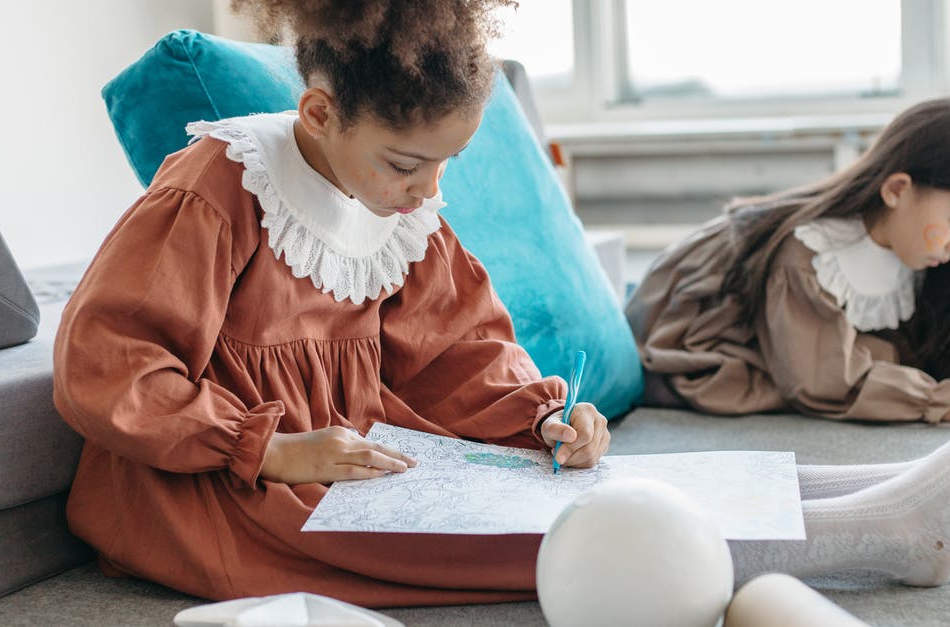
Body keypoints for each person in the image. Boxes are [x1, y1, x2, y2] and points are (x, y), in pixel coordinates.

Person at [54, 0, 610, 608]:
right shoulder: (219, 186)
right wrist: (266, 448)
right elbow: (110, 361)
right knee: (540, 552)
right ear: (319, 114)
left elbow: (457, 352)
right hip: (228, 471)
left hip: (353, 455)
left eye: (447, 162)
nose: (429, 188)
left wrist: (541, 418)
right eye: (405, 163)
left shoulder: (401, 210)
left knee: (549, 523)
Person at [626, 95, 950, 423]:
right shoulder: (810, 258)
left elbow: (927, 340)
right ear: (897, 190)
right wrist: (949, 401)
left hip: (800, 339)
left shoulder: (919, 251)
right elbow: (825, 381)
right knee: (830, 369)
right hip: (688, 339)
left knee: (883, 354)